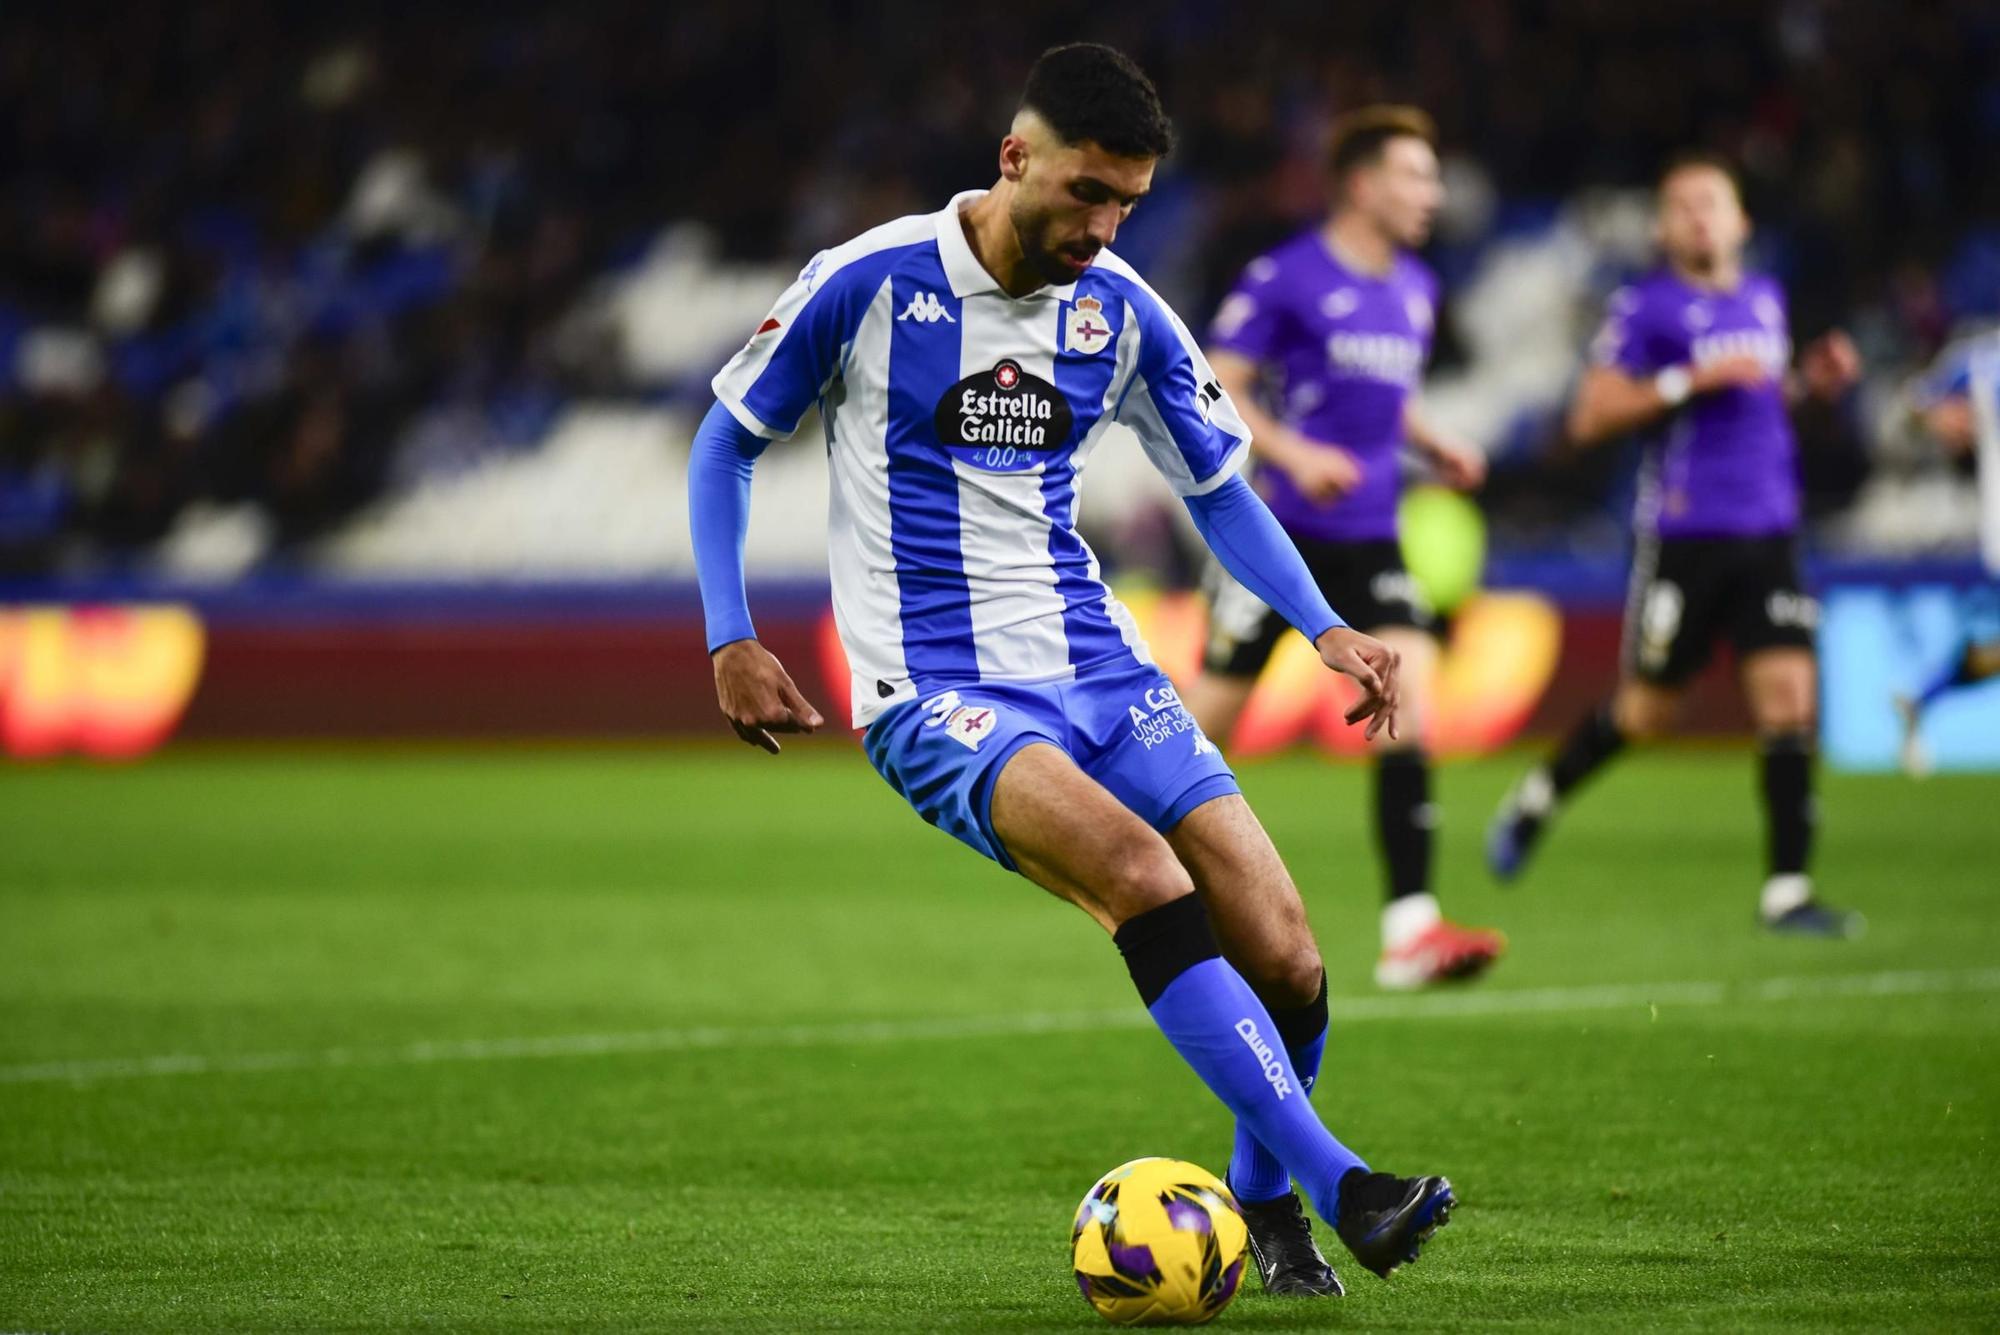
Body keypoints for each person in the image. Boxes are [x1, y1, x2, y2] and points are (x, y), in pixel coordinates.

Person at [689, 44, 1453, 1301]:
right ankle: (1342, 1187)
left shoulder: (1124, 313)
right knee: (1142, 881)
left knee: (1290, 953)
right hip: (934, 689)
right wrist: (730, 634)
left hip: (1098, 667)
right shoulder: (870, 281)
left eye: (1126, 206)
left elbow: (1220, 488)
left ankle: (1265, 1212)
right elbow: (725, 442)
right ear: (1013, 159)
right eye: (1084, 195)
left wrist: (1323, 630)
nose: (1101, 229)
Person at [1485, 151, 1865, 937]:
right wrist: (1687, 380)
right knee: (1651, 711)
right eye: (1684, 205)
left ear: (1741, 221)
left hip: (1771, 528)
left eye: (1712, 203)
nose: (1699, 216)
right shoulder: (1646, 309)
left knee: (1790, 700)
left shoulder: (1765, 298)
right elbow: (1590, 415)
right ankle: (1540, 794)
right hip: (1686, 534)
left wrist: (1810, 387)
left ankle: (1788, 890)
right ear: (1662, 227)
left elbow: (1760, 402)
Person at [1182, 105, 1505, 990]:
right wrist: (1292, 452)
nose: (1431, 194)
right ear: (1362, 185)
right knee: (1202, 732)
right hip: (1279, 537)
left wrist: (1431, 441)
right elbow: (1219, 384)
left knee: (1412, 701)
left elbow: (1385, 397)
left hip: (1372, 537)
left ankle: (1410, 928)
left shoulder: (1417, 289)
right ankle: (1149, 879)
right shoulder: (1287, 277)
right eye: (1415, 175)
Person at [1895, 329, 2000, 775]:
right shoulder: (1982, 360)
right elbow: (1915, 404)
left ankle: (1921, 699)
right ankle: (1922, 699)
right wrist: (1939, 419)